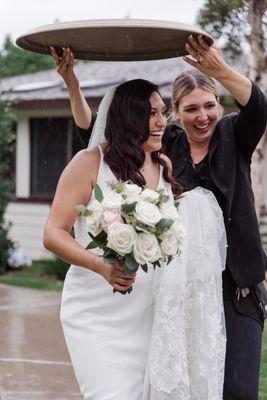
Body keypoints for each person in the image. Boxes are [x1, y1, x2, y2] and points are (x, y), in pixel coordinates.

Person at [43, 76, 182, 399]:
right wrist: (100, 265)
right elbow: (53, 233)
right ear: (128, 117)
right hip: (97, 314)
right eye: (152, 114)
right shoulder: (89, 162)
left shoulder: (163, 166)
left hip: (147, 315)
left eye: (163, 112)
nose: (162, 121)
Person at [163, 35, 267, 399]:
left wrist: (217, 69)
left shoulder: (233, 135)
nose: (202, 116)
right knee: (190, 388)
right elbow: (102, 136)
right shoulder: (167, 145)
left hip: (236, 289)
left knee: (238, 391)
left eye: (209, 106)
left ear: (219, 108)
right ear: (175, 112)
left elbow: (259, 106)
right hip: (184, 290)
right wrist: (72, 86)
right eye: (191, 109)